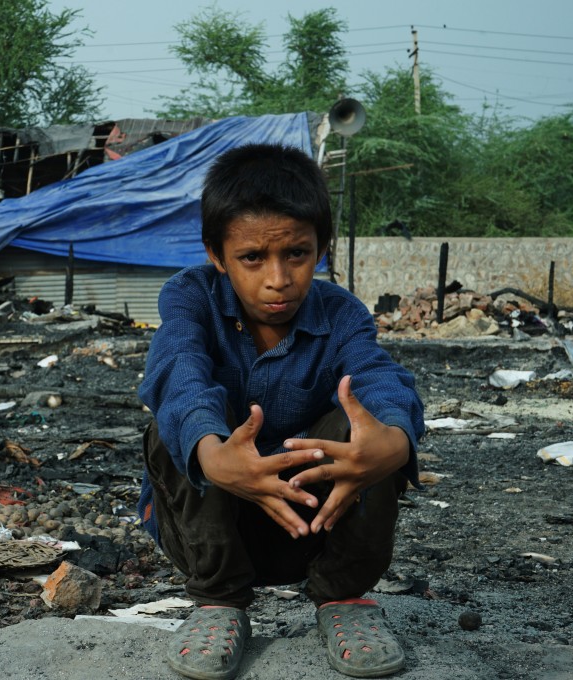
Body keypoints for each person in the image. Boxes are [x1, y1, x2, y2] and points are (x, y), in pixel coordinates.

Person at [137, 143, 424, 680]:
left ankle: (343, 599)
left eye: (297, 253)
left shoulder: (340, 312)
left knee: (369, 423)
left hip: (316, 524)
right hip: (212, 533)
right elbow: (179, 369)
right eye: (252, 258)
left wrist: (395, 441)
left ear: (321, 248)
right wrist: (215, 456)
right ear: (217, 256)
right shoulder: (190, 296)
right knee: (174, 420)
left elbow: (380, 375)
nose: (278, 278)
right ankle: (219, 604)